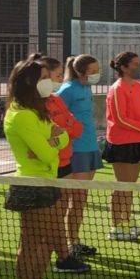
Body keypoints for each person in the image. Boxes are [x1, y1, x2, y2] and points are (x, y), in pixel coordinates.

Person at [3, 57, 70, 279]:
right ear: (29, 82)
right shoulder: (20, 116)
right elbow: (46, 152)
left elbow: (62, 136)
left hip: (49, 181)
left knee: (45, 242)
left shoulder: (38, 112)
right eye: (43, 77)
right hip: (31, 186)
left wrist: (51, 142)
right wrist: (51, 144)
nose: (49, 81)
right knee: (31, 244)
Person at [32, 54, 88, 274]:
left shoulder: (57, 99)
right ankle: (61, 258)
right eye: (53, 76)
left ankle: (63, 256)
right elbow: (54, 134)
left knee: (60, 212)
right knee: (48, 221)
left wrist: (63, 131)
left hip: (65, 163)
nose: (56, 81)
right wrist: (64, 131)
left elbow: (76, 128)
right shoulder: (33, 106)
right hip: (47, 167)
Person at [104, 51, 140, 240]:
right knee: (123, 186)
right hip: (122, 142)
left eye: (139, 64)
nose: (139, 68)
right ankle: (116, 226)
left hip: (139, 140)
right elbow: (120, 118)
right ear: (123, 67)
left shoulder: (138, 86)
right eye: (135, 64)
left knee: (130, 185)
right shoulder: (117, 88)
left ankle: (126, 221)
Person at [57, 54, 102, 260]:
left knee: (81, 199)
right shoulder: (67, 90)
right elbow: (57, 118)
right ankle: (66, 244)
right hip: (76, 150)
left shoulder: (86, 88)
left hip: (90, 147)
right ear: (80, 72)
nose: (97, 74)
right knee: (72, 198)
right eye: (93, 71)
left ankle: (73, 241)